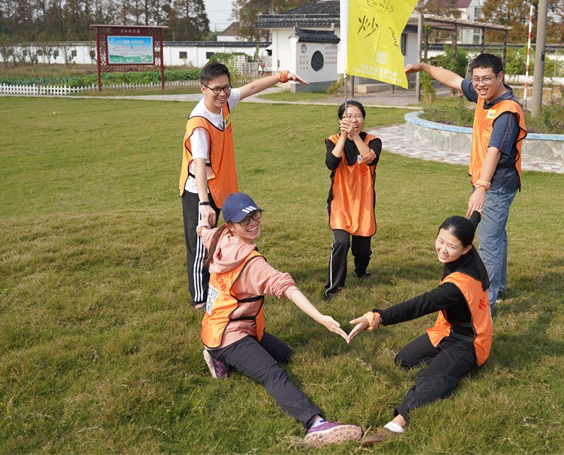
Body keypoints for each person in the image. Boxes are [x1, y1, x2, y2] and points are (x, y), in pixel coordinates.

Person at [198, 192, 362, 446]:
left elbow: (203, 231)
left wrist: (202, 219)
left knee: (286, 355)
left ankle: (216, 355)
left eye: (256, 215)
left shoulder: (218, 236)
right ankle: (315, 424)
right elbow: (286, 287)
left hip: (228, 326)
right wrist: (320, 317)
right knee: (273, 374)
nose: (253, 223)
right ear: (230, 225)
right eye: (245, 221)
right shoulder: (251, 264)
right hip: (227, 336)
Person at [347, 214, 492, 447]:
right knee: (404, 360)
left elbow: (418, 305)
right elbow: (470, 224)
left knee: (432, 376)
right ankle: (452, 367)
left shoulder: (457, 285)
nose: (443, 249)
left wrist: (377, 317)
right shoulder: (463, 253)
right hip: (446, 329)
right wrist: (476, 209)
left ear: (466, 249)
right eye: (440, 240)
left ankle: (396, 424)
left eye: (451, 246)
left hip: (469, 341)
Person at [180, 62, 309, 310]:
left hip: (223, 186)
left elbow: (251, 87)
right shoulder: (199, 123)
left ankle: (237, 275)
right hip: (200, 191)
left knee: (230, 233)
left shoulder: (225, 102)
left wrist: (282, 77)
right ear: (203, 89)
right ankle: (199, 297)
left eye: (226, 87)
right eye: (216, 89)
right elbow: (198, 165)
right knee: (199, 245)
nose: (222, 93)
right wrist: (205, 203)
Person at [405, 54, 527, 311]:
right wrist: (423, 67)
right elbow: (453, 80)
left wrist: (481, 188)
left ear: (500, 76)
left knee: (488, 242)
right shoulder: (486, 95)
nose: (480, 84)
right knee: (496, 234)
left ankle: (486, 304)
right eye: (477, 79)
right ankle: (500, 288)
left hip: (496, 184)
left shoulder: (507, 111)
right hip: (487, 180)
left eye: (486, 79)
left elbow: (494, 150)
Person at [324, 100, 382, 300]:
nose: (354, 120)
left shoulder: (373, 141)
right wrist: (343, 137)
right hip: (340, 203)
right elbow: (331, 163)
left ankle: (360, 269)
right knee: (341, 244)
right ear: (340, 121)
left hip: (363, 204)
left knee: (361, 250)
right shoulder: (332, 140)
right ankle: (333, 288)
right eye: (348, 116)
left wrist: (355, 136)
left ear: (364, 119)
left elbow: (370, 159)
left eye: (358, 116)